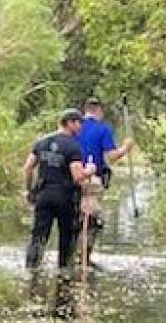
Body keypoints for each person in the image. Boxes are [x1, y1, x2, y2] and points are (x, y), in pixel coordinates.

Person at [22, 109, 94, 272]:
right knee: (67, 238)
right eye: (78, 123)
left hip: (44, 195)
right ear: (70, 123)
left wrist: (29, 191)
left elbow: (27, 168)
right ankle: (64, 271)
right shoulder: (73, 147)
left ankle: (31, 269)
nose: (80, 127)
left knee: (38, 236)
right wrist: (90, 170)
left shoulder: (41, 143)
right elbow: (77, 176)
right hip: (66, 198)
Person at [75, 97, 133, 260]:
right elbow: (111, 157)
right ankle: (83, 256)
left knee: (75, 215)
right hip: (91, 180)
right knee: (92, 218)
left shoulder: (74, 126)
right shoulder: (103, 129)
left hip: (71, 177)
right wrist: (125, 148)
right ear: (99, 111)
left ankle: (71, 253)